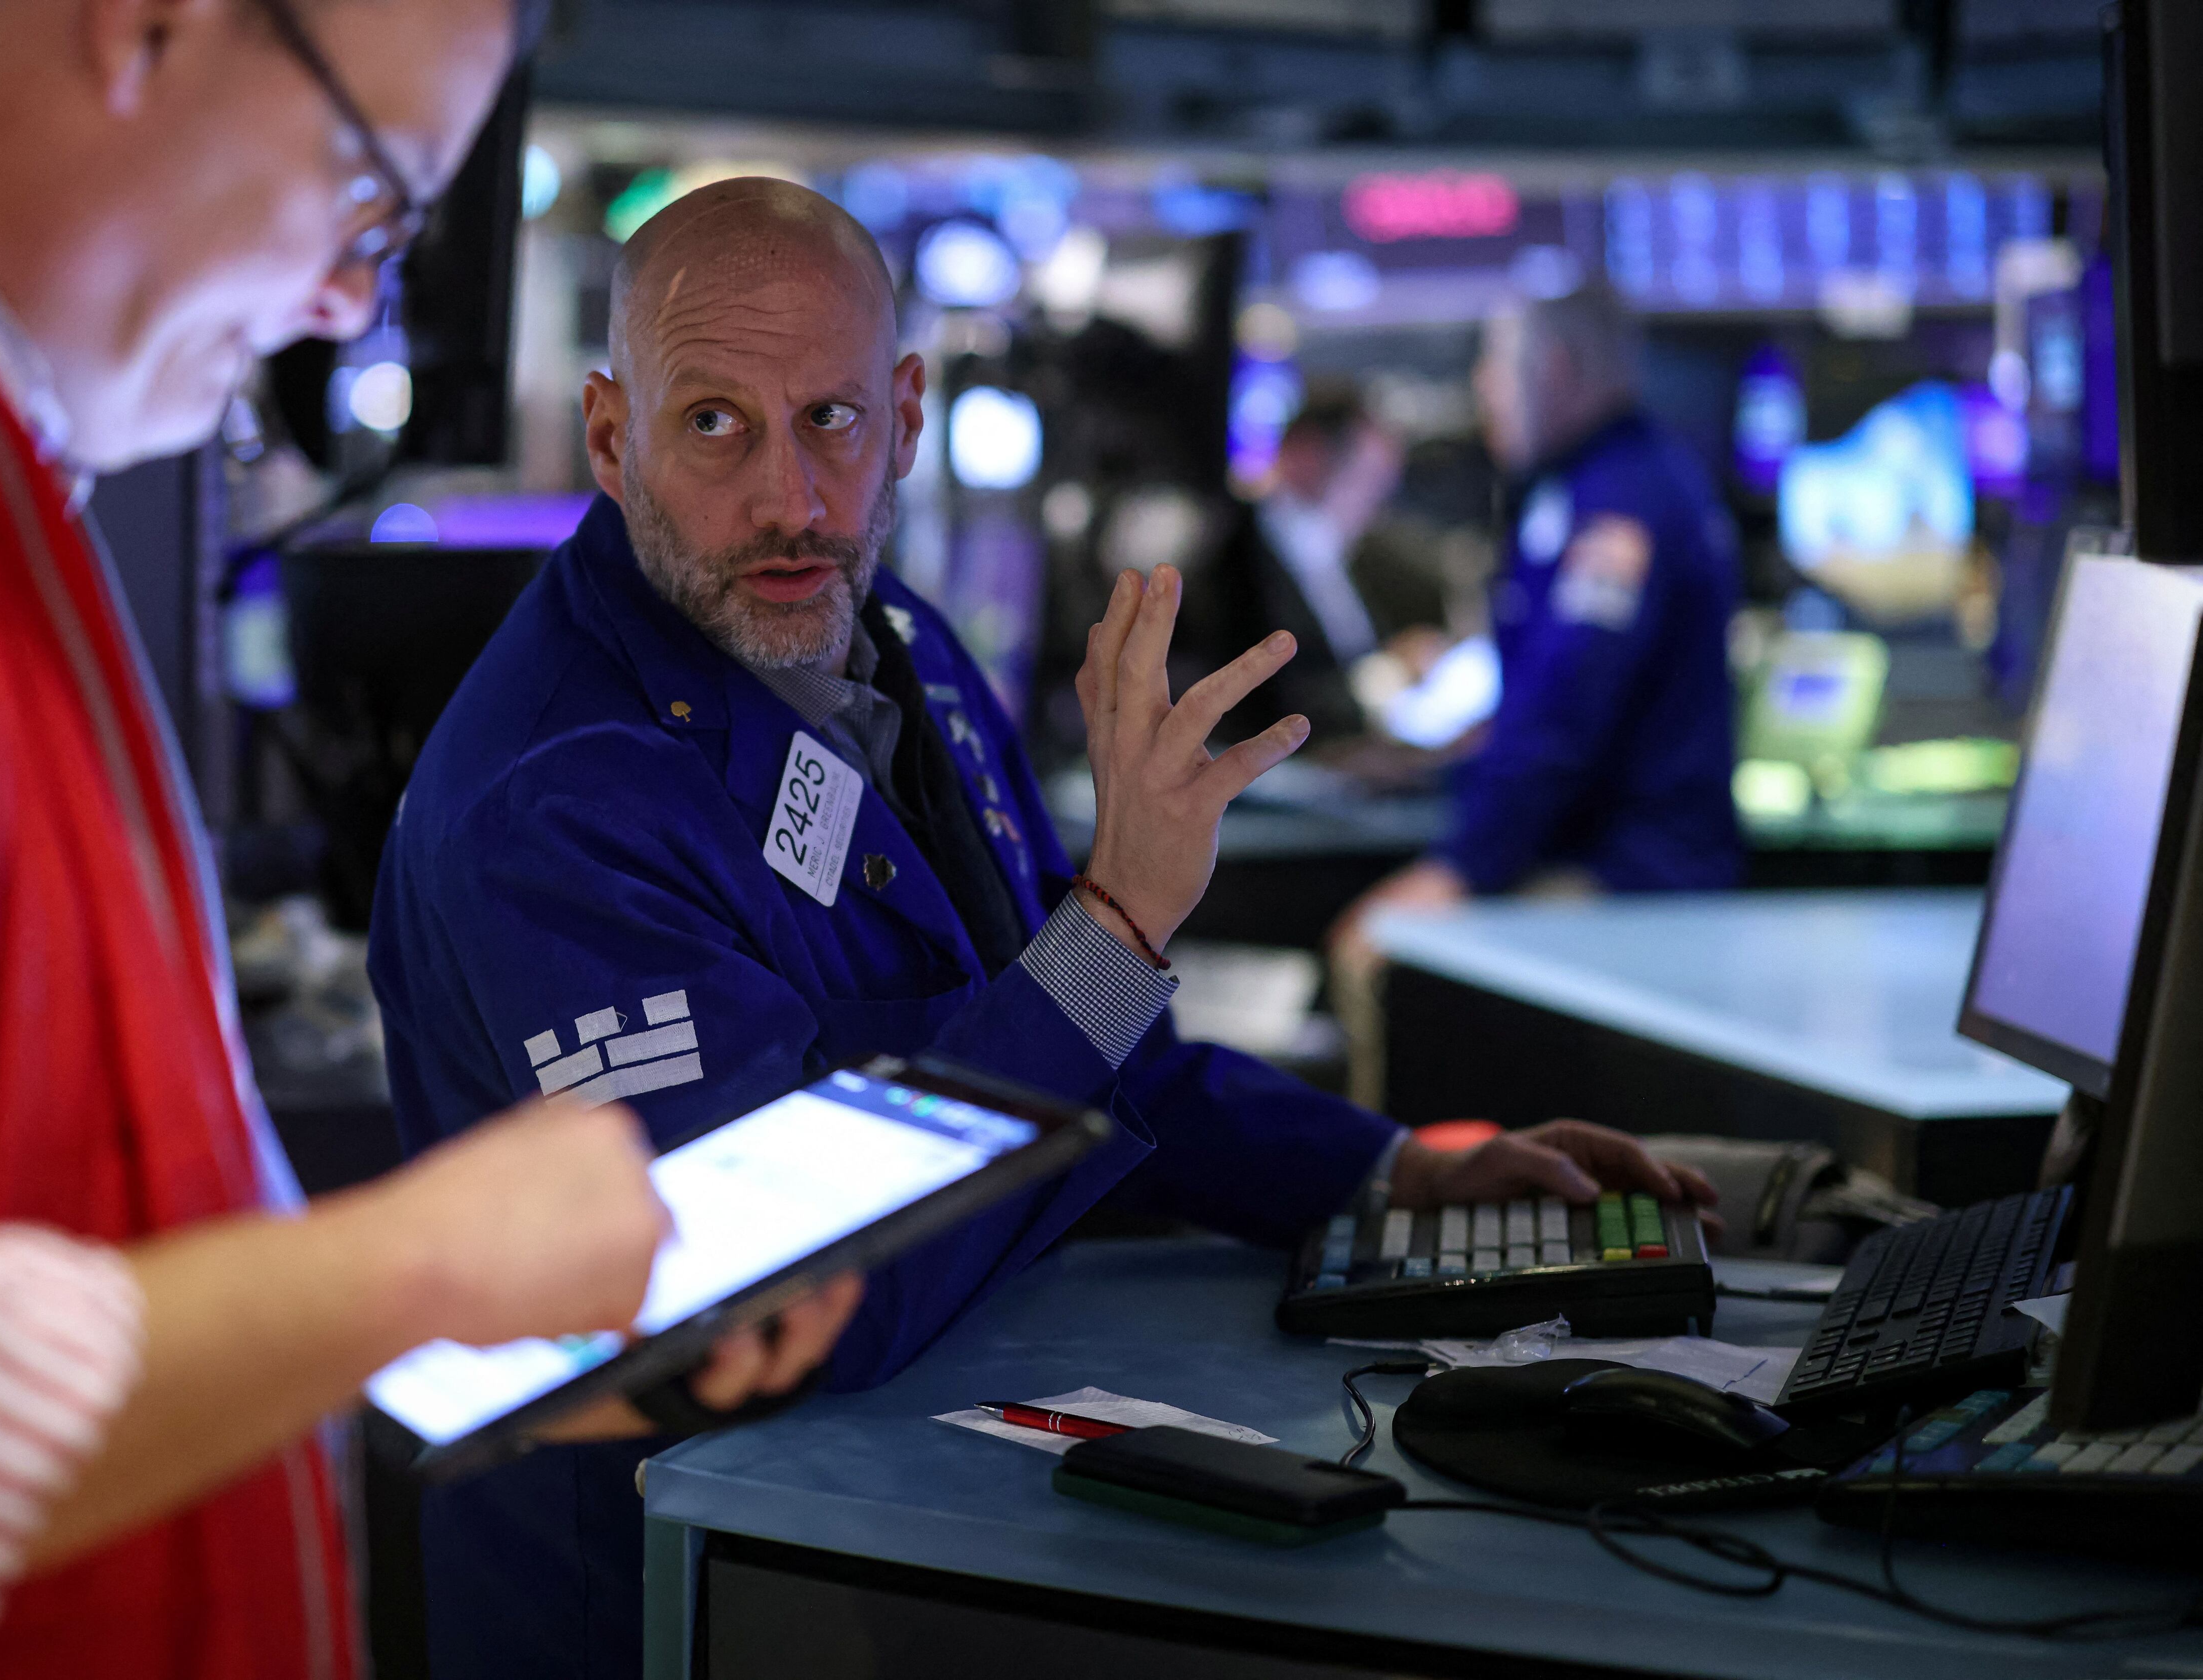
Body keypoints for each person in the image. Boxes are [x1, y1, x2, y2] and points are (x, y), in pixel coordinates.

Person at [368, 178, 1720, 1679]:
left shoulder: (904, 654)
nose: (793, 500)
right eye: (713, 425)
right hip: (655, 1591)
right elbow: (779, 1294)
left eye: (829, 419)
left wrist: (1390, 1170)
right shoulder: (553, 802)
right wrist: (1122, 912)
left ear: (907, 416)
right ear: (613, 437)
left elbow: (1087, 1055)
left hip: (908, 1518)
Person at [0, 3, 855, 1672]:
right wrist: (409, 1270)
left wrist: (411, 1323)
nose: (343, 305)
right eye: (372, 200)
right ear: (145, 26)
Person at [1327, 282, 1743, 1104]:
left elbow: (1565, 715)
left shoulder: (1618, 509)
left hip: (1630, 875)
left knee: (1371, 953)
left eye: (1493, 363)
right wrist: (1440, 755)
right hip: (1607, 855)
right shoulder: (1602, 484)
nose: (1482, 388)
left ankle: (1394, 1196)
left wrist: (1461, 867)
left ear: (1551, 368)